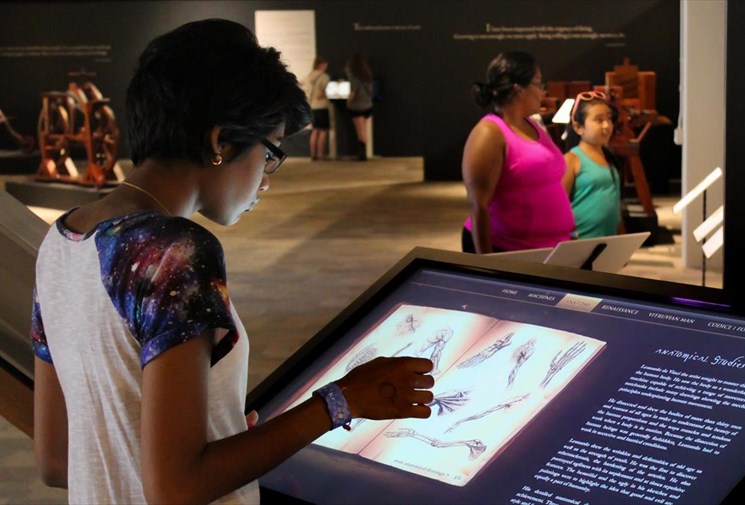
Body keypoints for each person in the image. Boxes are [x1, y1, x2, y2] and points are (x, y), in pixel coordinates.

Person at [30, 19, 435, 505]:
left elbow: (56, 458)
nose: (266, 179)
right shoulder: (175, 251)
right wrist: (340, 401)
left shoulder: (61, 239)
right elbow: (177, 488)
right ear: (221, 142)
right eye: (270, 153)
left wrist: (224, 443)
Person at [461, 51, 575, 254]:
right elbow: (478, 205)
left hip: (548, 248)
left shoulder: (532, 125)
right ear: (518, 89)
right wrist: (487, 265)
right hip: (508, 249)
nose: (542, 92)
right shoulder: (489, 133)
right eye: (538, 84)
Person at [561, 91, 623, 238]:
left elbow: (615, 206)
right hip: (581, 244)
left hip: (609, 242)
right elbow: (558, 208)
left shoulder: (609, 158)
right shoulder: (571, 160)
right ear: (578, 127)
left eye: (608, 118)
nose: (607, 125)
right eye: (599, 120)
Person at [301, 56, 331, 160]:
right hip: (322, 106)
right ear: (322, 65)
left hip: (312, 107)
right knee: (323, 130)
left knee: (314, 130)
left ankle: (313, 154)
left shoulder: (309, 76)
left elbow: (301, 85)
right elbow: (325, 92)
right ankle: (320, 154)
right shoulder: (324, 76)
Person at [344, 53, 373, 161]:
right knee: (364, 130)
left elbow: (354, 92)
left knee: (361, 133)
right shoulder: (367, 75)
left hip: (357, 107)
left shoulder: (353, 76)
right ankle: (363, 154)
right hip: (368, 106)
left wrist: (348, 102)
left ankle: (362, 155)